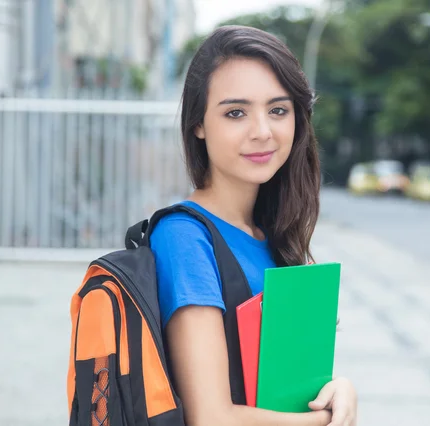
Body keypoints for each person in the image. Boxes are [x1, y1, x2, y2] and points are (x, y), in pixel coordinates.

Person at [150, 25, 358, 426]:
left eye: (278, 110)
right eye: (235, 112)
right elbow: (211, 417)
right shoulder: (184, 237)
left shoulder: (274, 234)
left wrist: (340, 391)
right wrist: (325, 421)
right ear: (198, 124)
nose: (262, 131)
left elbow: (288, 389)